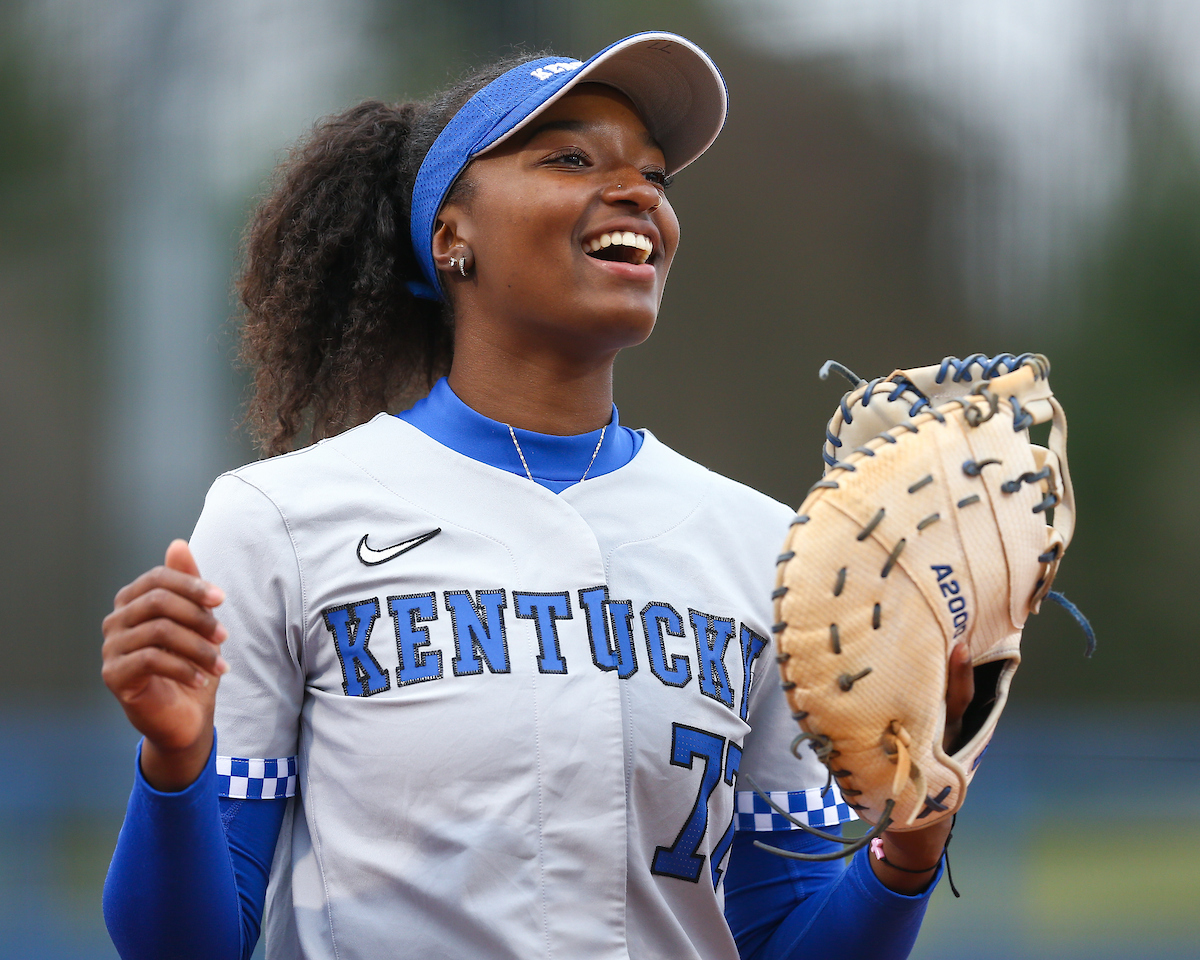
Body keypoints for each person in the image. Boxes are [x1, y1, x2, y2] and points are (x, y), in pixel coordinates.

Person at [100, 31, 974, 960]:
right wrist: (175, 765)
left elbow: (785, 932)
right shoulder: (279, 519)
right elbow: (183, 946)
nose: (640, 191)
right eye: (569, 158)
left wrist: (908, 851)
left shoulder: (768, 548)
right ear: (452, 236)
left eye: (656, 176)